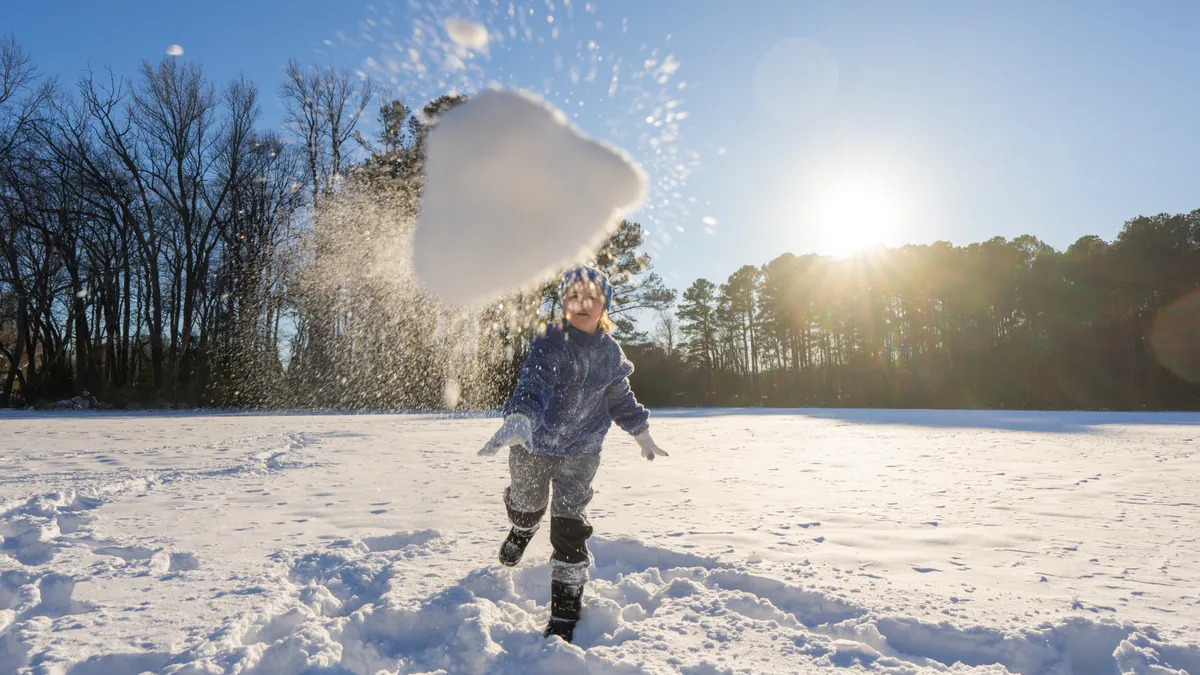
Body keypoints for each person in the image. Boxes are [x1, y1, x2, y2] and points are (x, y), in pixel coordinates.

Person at [478, 263, 669, 643]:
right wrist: (521, 417)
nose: (582, 303)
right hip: (534, 446)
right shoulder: (551, 343)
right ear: (564, 303)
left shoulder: (611, 353)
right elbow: (534, 383)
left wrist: (640, 431)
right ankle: (522, 526)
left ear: (605, 305)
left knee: (569, 526)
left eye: (592, 298)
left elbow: (621, 398)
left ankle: (565, 614)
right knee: (528, 503)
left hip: (582, 452)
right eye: (573, 297)